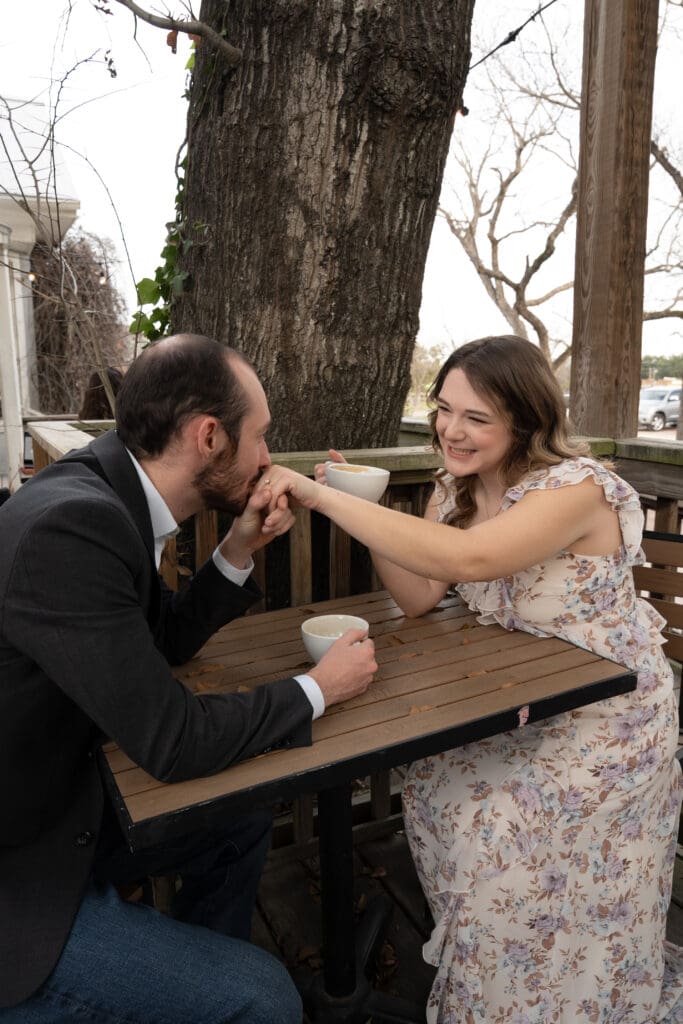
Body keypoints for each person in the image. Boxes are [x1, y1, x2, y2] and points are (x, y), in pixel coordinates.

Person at [261, 335, 683, 1023]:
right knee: (435, 783)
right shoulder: (452, 488)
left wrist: (318, 496)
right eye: (443, 409)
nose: (451, 430)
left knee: (497, 831)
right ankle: (501, 989)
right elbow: (424, 593)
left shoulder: (575, 489)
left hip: (606, 718)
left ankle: (573, 999)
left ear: (523, 419)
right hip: (519, 700)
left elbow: (475, 558)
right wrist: (359, 502)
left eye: (476, 417)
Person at [0, 334, 377, 1022]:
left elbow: (158, 641)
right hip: (22, 871)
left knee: (237, 822)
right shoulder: (72, 529)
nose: (267, 458)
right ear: (209, 436)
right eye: (260, 438)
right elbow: (174, 742)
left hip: (57, 809)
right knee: (265, 998)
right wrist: (321, 688)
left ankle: (186, 993)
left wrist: (237, 551)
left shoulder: (105, 489)